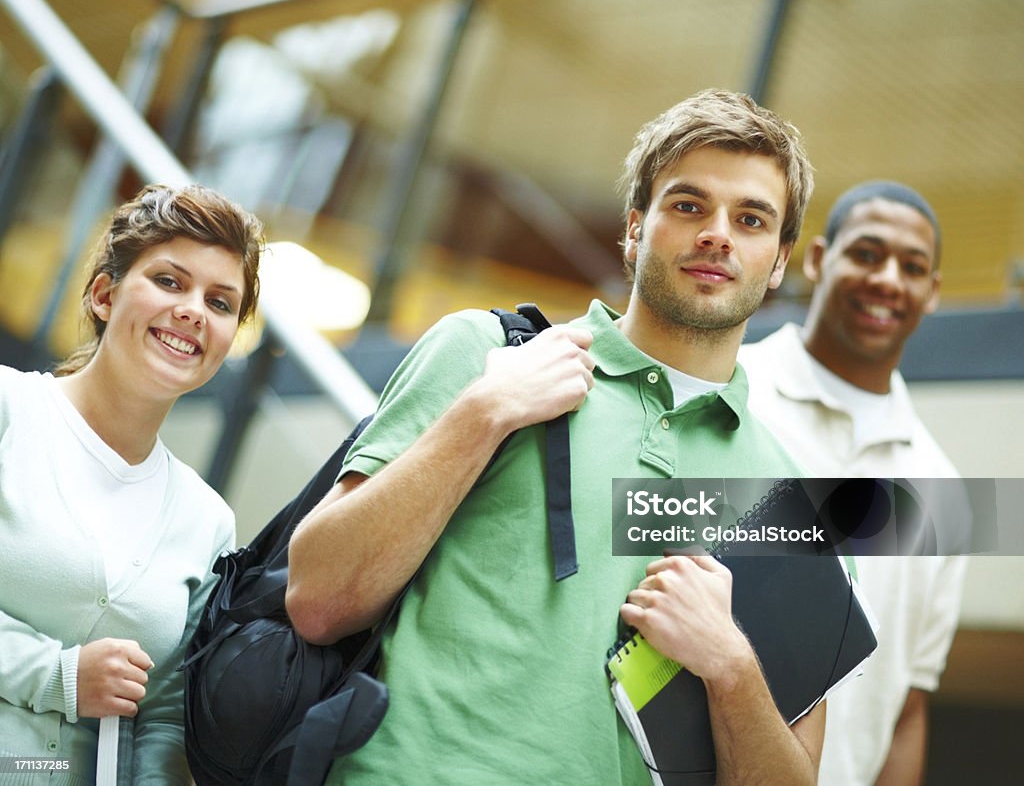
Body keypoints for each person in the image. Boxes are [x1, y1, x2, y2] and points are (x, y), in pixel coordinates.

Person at [286, 88, 830, 784]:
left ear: (781, 260)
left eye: (751, 218)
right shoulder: (485, 353)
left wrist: (730, 664)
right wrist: (482, 413)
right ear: (635, 228)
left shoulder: (787, 500)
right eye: (689, 205)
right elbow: (318, 598)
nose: (718, 233)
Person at [0, 184, 263, 781]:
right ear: (103, 295)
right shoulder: (9, 409)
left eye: (221, 303)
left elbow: (165, 717)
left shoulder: (207, 521)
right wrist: (56, 677)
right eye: (170, 281)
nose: (194, 310)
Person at [738, 180, 968, 785]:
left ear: (932, 292)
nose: (888, 279)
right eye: (866, 254)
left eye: (912, 267)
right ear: (817, 260)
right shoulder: (733, 392)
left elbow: (908, 707)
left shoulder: (939, 489)